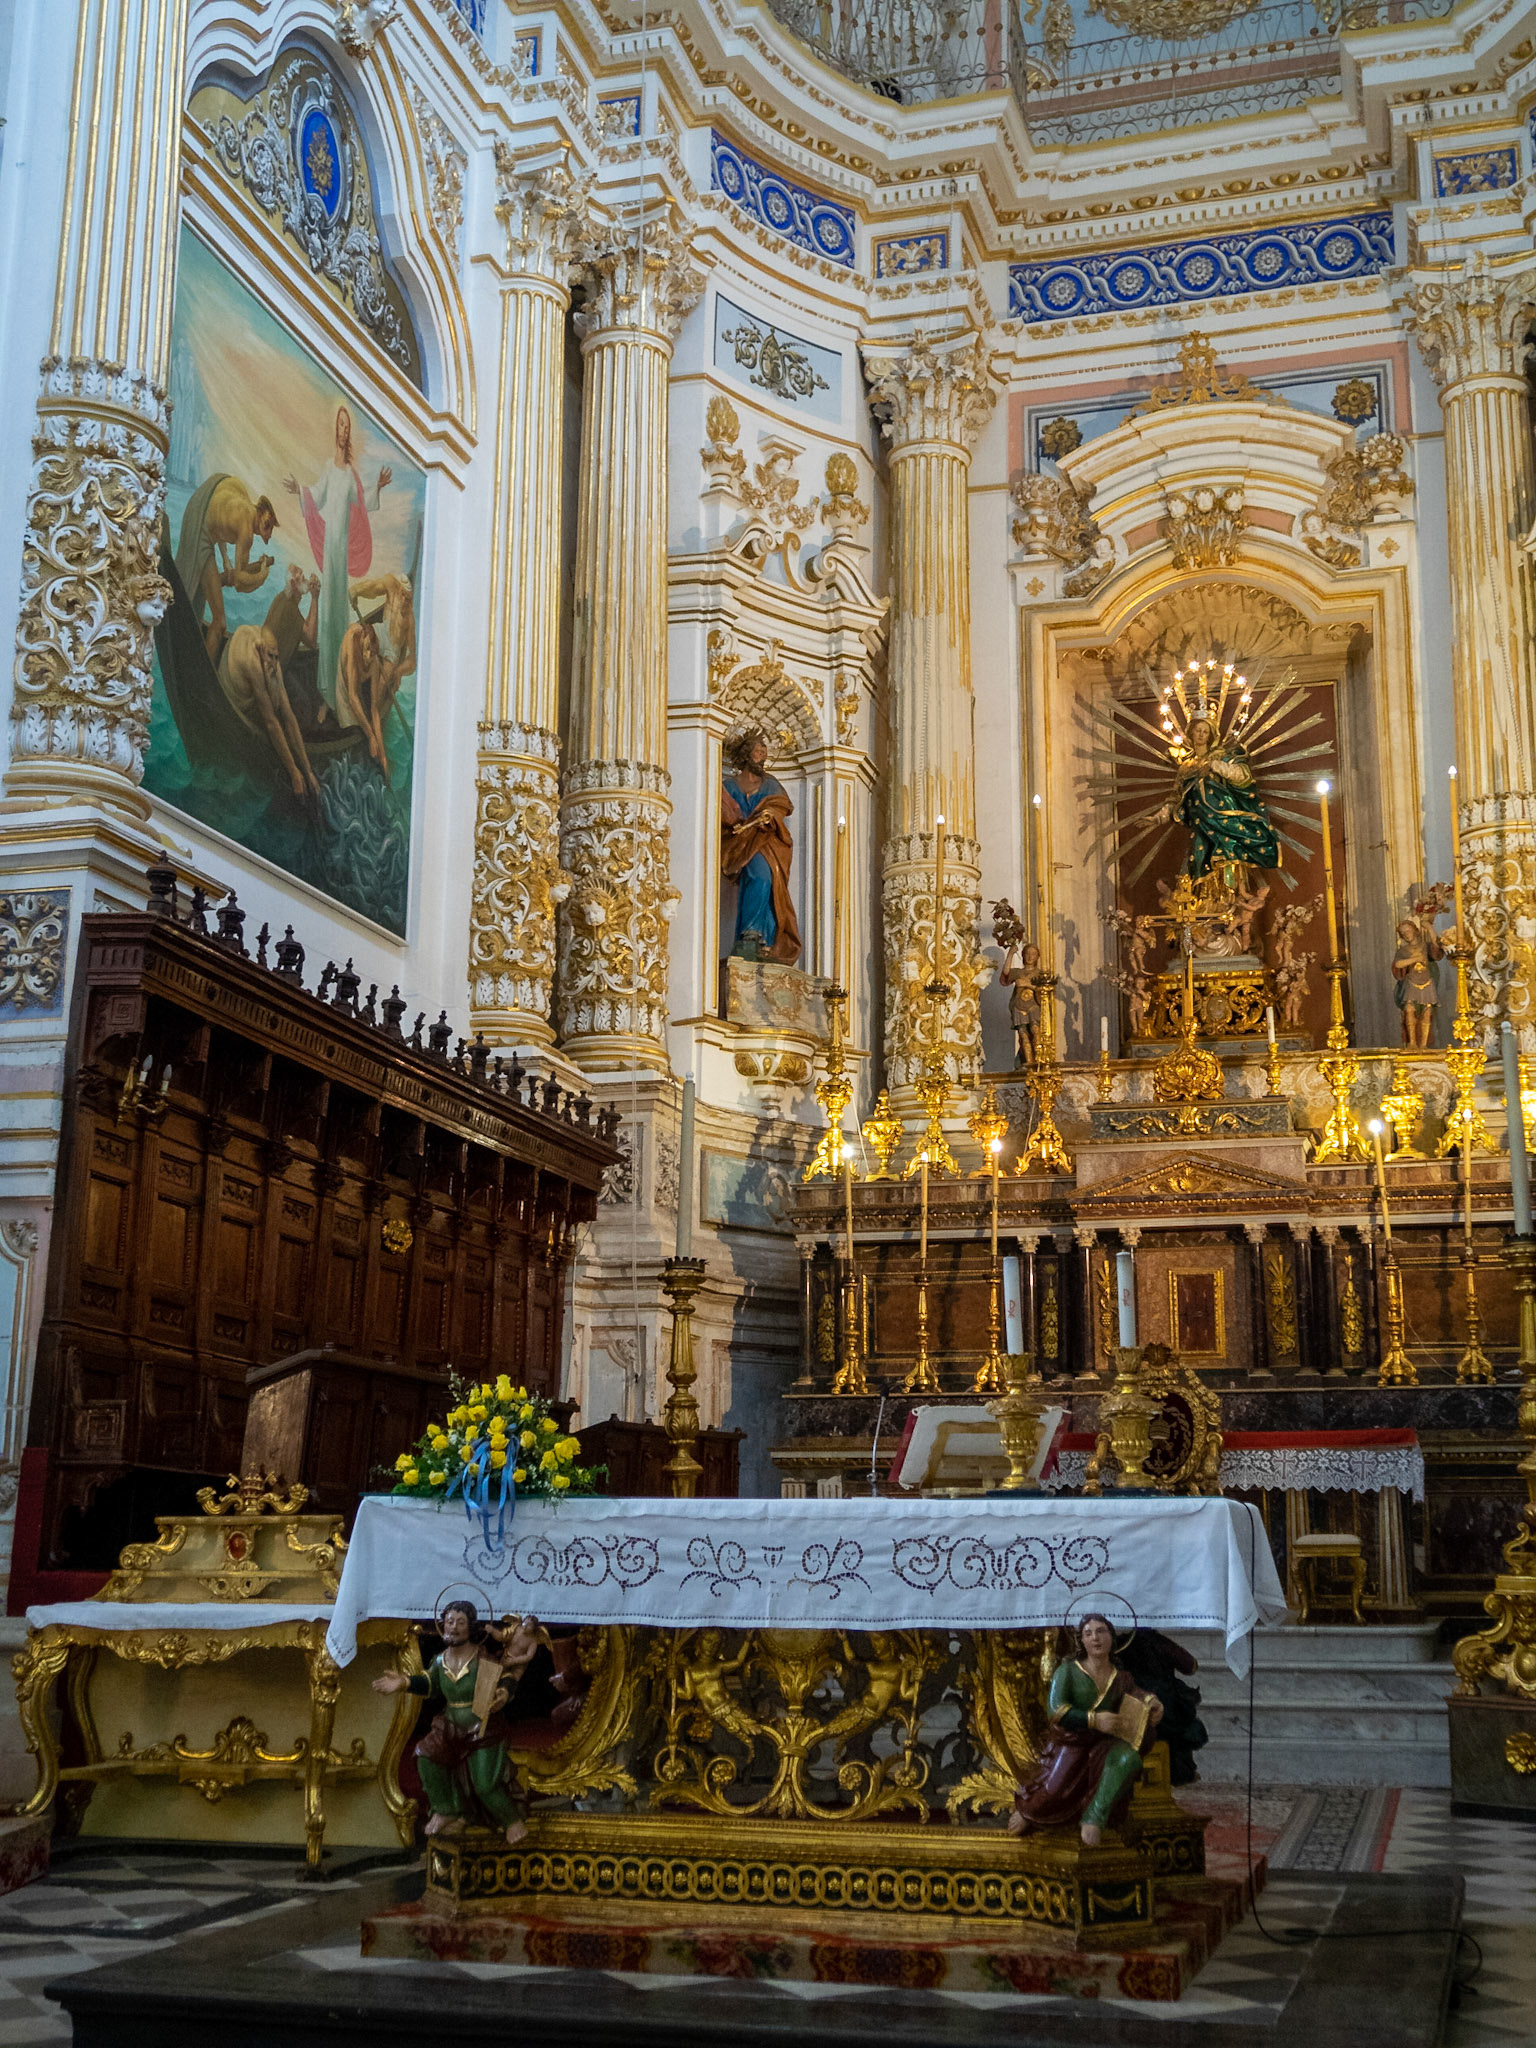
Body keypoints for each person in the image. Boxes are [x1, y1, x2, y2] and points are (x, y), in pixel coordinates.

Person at [373, 1600, 544, 1844]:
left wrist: (503, 1693)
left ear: (470, 1627)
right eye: (450, 1622)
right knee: (425, 1755)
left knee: (485, 1785)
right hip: (451, 1723)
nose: (453, 1628)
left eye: (460, 1623)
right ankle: (447, 1810)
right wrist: (404, 1682)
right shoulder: (441, 1661)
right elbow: (430, 1684)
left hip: (482, 1726)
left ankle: (511, 1821)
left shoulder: (481, 1657)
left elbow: (504, 1678)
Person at [1009, 1613, 1163, 1845]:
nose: (1095, 1638)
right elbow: (1055, 1710)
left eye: (1101, 1631)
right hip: (1072, 1741)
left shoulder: (1120, 1676)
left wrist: (1152, 1702)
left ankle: (1094, 1817)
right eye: (1088, 1633)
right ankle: (1029, 1812)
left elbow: (1136, 1696)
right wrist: (1093, 1720)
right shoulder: (1068, 1671)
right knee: (1054, 1791)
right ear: (1081, 1641)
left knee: (1127, 1758)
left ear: (1111, 1637)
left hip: (1105, 1741)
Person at [284, 404, 391, 713]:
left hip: (340, 555)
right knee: (328, 613)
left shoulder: (352, 476)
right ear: (336, 431)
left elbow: (364, 502)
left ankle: (340, 689)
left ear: (349, 433)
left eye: (347, 427)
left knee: (338, 617)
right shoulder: (330, 469)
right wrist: (298, 491)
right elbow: (315, 496)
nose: (343, 431)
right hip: (330, 547)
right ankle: (325, 693)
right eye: (340, 426)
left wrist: (378, 487)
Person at [174, 474, 280, 662]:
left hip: (201, 522)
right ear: (262, 512)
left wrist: (227, 562)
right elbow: (240, 583)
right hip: (202, 536)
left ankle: (196, 655)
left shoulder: (243, 503)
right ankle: (203, 673)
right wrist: (263, 574)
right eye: (268, 524)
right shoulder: (247, 531)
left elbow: (220, 531)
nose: (269, 533)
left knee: (213, 585)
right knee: (220, 623)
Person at [721, 728, 801, 965]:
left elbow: (782, 805)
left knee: (768, 881)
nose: (762, 757)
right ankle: (749, 933)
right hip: (741, 842)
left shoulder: (770, 783)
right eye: (758, 752)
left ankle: (760, 935)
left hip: (766, 841)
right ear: (747, 755)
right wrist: (732, 823)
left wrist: (770, 815)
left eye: (764, 753)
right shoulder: (730, 785)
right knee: (755, 880)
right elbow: (723, 810)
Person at [1171, 718, 1279, 882]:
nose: (1201, 734)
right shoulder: (1186, 766)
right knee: (1199, 857)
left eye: (1205, 731)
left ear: (1210, 736)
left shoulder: (1220, 757)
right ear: (1191, 732)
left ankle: (1227, 895)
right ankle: (1204, 899)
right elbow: (1175, 798)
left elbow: (1242, 776)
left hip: (1223, 816)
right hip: (1200, 822)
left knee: (1227, 854)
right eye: (1198, 730)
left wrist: (1216, 766)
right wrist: (1157, 817)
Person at [1116, 1628, 1207, 1785]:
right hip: (1160, 1705)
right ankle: (1180, 1773)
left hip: (1133, 1706)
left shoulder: (1117, 1642)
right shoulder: (1157, 1641)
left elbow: (1190, 1666)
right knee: (1175, 1723)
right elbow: (1190, 1666)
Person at [1392, 915, 1443, 1049]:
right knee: (1409, 1009)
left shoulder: (1425, 946)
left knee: (1427, 1011)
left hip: (1427, 982)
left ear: (1415, 931)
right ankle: (1412, 1043)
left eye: (1408, 931)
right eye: (1403, 933)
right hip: (1411, 983)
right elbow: (1397, 964)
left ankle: (1424, 1044)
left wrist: (1430, 928)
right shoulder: (1403, 951)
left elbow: (1437, 949)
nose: (1407, 935)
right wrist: (1414, 959)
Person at [999, 939, 1042, 1066]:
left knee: (1036, 1031)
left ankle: (1038, 1062)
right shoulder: (1018, 972)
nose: (1030, 956)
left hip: (1034, 1007)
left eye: (1033, 954)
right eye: (1027, 953)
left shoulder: (1039, 973)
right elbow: (1006, 973)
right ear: (1023, 955)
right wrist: (1011, 953)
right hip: (1019, 1006)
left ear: (1037, 957)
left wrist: (1028, 985)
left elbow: (1045, 991)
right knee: (1023, 1035)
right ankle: (1028, 1063)